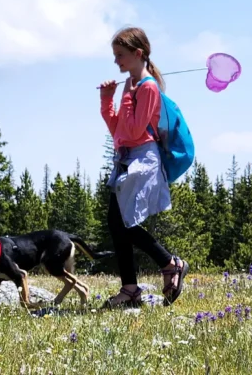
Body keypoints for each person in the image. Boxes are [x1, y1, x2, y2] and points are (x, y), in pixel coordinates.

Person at [99, 26, 189, 308]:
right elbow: (119, 133)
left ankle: (170, 263)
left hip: (142, 158)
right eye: (115, 55)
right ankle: (130, 288)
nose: (116, 61)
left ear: (138, 53)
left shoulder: (147, 86)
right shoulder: (132, 87)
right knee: (117, 223)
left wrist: (127, 95)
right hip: (126, 158)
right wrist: (107, 102)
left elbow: (137, 130)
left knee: (125, 221)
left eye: (120, 55)